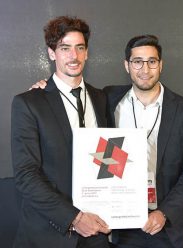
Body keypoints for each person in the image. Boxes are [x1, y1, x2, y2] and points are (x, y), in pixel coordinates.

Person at [11, 16, 110, 248]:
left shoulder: (102, 98)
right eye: (65, 48)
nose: (73, 56)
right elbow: (26, 175)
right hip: (50, 234)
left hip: (98, 231)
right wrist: (74, 218)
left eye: (80, 48)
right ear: (51, 53)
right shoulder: (29, 103)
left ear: (86, 53)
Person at [103, 35, 183, 248]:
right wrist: (43, 87)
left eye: (152, 61)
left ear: (161, 65)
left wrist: (164, 212)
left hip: (165, 225)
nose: (145, 69)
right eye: (137, 61)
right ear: (127, 66)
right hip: (120, 224)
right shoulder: (108, 100)